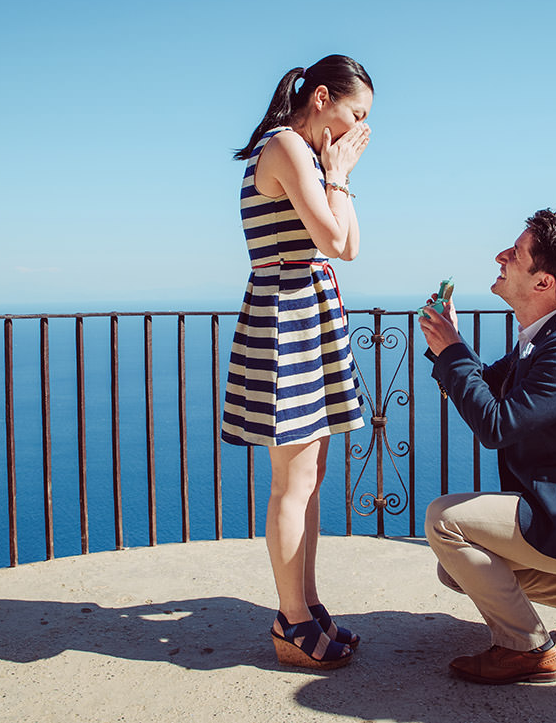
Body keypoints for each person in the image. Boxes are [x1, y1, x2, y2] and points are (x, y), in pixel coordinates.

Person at [417, 209, 556, 685]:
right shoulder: (540, 340)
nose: (501, 256)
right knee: (454, 572)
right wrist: (448, 346)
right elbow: (485, 385)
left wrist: (453, 349)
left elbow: (496, 425)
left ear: (544, 282)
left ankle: (525, 648)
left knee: (444, 520)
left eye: (515, 253)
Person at [222, 55, 373, 670]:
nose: (359, 127)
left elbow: (351, 247)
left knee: (308, 482)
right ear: (319, 97)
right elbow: (335, 241)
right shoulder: (284, 146)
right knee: (292, 482)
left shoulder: (311, 158)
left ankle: (307, 607)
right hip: (287, 315)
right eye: (355, 113)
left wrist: (338, 173)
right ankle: (291, 621)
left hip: (308, 309)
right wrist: (338, 175)